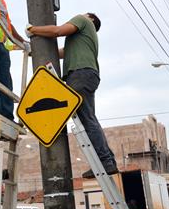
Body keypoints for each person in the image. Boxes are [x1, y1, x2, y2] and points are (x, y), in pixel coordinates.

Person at [27, 14, 117, 178]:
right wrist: (35, 50)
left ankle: (105, 160)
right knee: (89, 119)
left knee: (87, 120)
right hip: (86, 75)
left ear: (89, 18)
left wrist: (32, 29)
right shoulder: (82, 40)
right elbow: (60, 52)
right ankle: (107, 160)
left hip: (80, 74)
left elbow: (58, 31)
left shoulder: (83, 20)